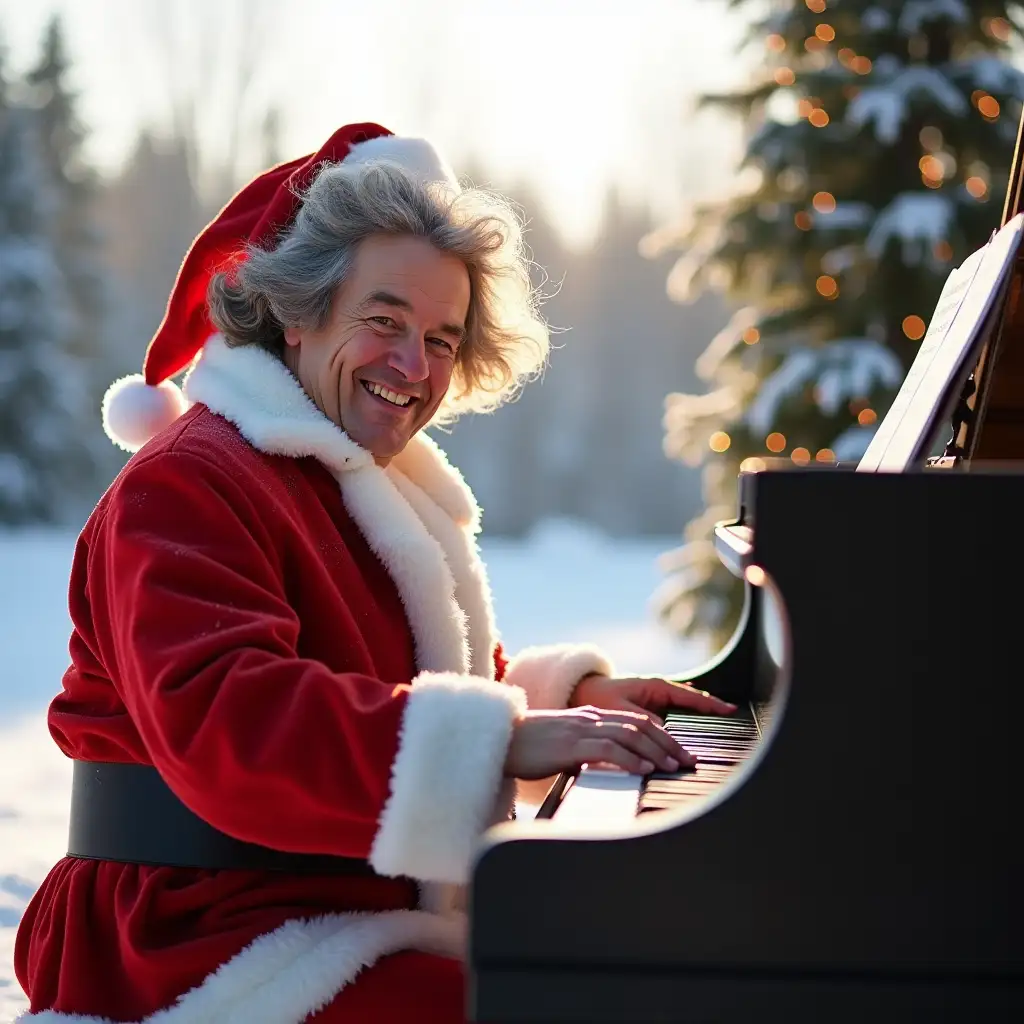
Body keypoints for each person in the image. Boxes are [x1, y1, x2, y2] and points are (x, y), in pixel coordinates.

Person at [13, 122, 734, 1024]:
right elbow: (232, 719)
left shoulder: (363, 478)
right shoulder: (190, 481)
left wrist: (568, 693)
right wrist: (502, 739)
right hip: (194, 940)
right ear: (298, 309)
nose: (413, 366)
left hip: (327, 914)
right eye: (384, 321)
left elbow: (408, 682)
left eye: (441, 338)